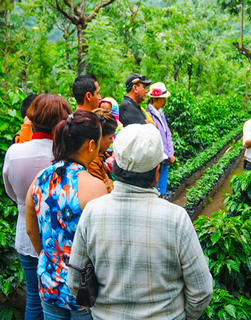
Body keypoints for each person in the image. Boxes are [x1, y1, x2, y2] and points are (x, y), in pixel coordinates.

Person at [67, 124, 213, 319]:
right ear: (156, 173)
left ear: (115, 167)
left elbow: (76, 282)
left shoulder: (93, 212)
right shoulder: (176, 219)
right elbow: (201, 291)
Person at [25, 109, 107, 319]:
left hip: (49, 282)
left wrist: (52, 258)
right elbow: (102, 244)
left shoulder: (40, 178)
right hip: (82, 290)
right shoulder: (94, 186)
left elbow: (31, 230)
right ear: (90, 145)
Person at [3, 94, 71, 319]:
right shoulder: (65, 153)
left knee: (33, 299)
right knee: (63, 302)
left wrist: (25, 205)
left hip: (25, 233)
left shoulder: (15, 152)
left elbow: (10, 191)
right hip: (62, 240)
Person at [145, 82, 175, 197]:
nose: (165, 101)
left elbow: (167, 135)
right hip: (158, 159)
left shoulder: (161, 114)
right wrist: (168, 156)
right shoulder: (148, 115)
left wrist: (170, 153)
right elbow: (156, 139)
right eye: (163, 99)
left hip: (165, 160)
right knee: (155, 190)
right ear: (156, 99)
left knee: (162, 190)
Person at [88, 109, 118, 193]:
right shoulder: (92, 162)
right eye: (110, 138)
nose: (111, 141)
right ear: (99, 137)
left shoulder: (98, 156)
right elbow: (103, 191)